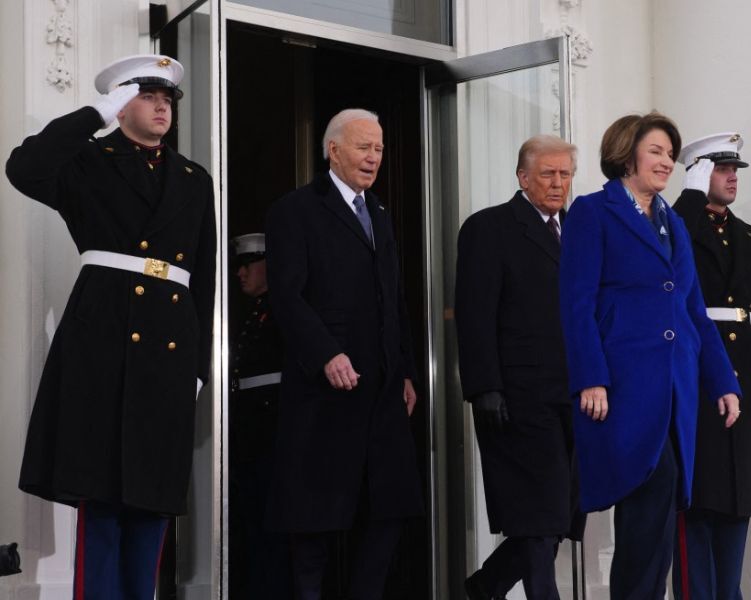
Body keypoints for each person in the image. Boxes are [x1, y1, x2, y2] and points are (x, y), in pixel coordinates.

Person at [5, 54, 216, 598]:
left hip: (168, 353)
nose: (162, 107)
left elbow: (205, 280)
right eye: (148, 97)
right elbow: (23, 168)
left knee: (153, 500)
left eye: (168, 99)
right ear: (122, 105)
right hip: (103, 341)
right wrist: (93, 113)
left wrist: (197, 370)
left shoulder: (195, 179)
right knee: (101, 498)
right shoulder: (87, 161)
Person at [558, 112, 742, 600]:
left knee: (662, 518)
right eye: (656, 151)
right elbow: (576, 304)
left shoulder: (674, 223)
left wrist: (722, 382)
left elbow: (692, 311)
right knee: (650, 493)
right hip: (623, 389)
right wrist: (590, 378)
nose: (666, 162)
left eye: (669, 154)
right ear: (626, 154)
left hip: (675, 390)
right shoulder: (592, 212)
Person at [264, 108, 422, 600]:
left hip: (380, 391)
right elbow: (286, 296)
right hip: (325, 391)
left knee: (389, 512)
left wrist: (406, 372)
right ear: (333, 150)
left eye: (378, 148)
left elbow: (392, 300)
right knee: (315, 520)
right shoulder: (296, 210)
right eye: (363, 147)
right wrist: (326, 354)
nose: (374, 157)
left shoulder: (378, 212)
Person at [455, 135, 585, 600]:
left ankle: (481, 588)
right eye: (547, 174)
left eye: (565, 174)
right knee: (537, 517)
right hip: (516, 398)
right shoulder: (488, 228)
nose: (557, 183)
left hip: (575, 397)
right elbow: (474, 314)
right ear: (522, 177)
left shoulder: (580, 231)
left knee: (556, 518)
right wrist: (484, 386)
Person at [671, 133, 751, 600]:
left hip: (746, 384)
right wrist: (689, 198)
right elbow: (667, 253)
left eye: (735, 170)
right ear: (696, 172)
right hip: (699, 378)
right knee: (697, 510)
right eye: (720, 169)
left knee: (736, 510)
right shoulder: (678, 226)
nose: (733, 177)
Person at [227, 233, 291, 600]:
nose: (241, 273)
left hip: (271, 428)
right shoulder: (251, 313)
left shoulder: (282, 308)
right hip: (250, 430)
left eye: (247, 264)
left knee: (269, 527)